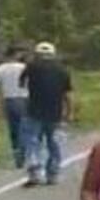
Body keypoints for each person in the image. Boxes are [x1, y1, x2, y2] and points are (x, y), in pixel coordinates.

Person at [19, 41, 73, 186]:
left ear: (37, 54)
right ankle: (52, 174)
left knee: (32, 142)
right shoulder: (63, 70)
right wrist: (68, 113)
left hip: (33, 111)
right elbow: (67, 95)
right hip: (55, 113)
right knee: (54, 144)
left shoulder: (30, 67)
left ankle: (34, 172)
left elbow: (22, 87)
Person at [0, 46, 29, 168]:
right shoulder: (24, 68)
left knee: (13, 129)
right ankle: (22, 153)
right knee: (23, 127)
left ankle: (16, 151)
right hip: (23, 99)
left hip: (8, 100)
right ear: (16, 54)